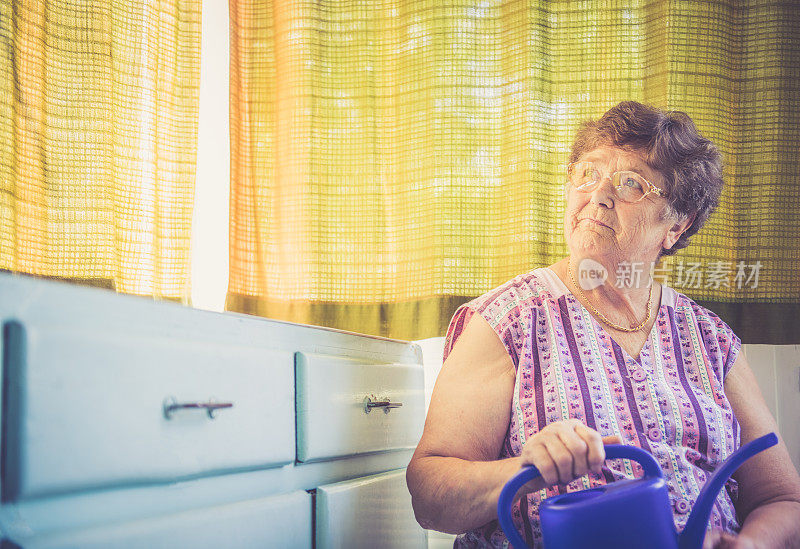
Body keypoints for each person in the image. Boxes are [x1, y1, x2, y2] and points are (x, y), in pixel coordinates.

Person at [406, 101, 800, 548]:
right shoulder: (508, 319)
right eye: (587, 174)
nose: (598, 195)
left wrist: (752, 543)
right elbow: (428, 494)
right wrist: (523, 470)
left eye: (630, 183)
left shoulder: (709, 338)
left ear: (677, 225)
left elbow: (782, 499)